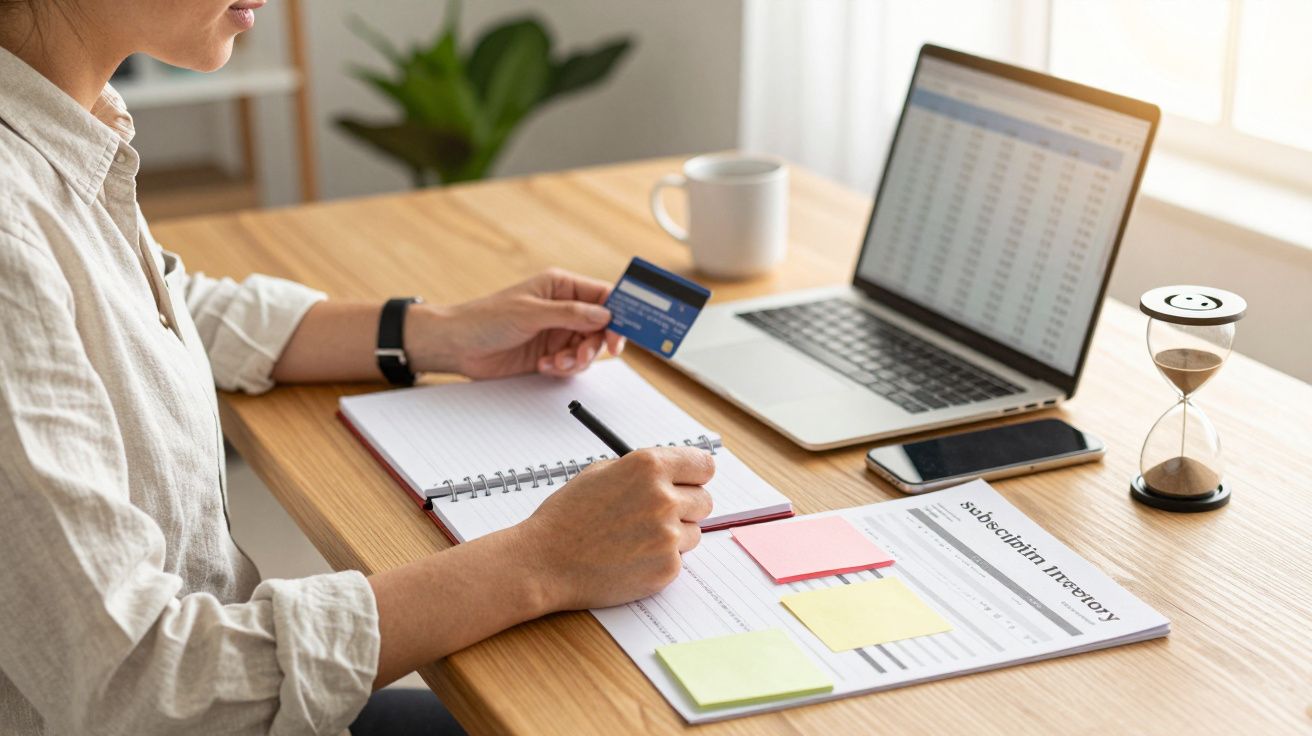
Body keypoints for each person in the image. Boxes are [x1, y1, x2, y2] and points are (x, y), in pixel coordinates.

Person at [0, 1, 716, 734]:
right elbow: (146, 686)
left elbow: (154, 304)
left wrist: (437, 334)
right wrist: (545, 559)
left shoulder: (62, 122)